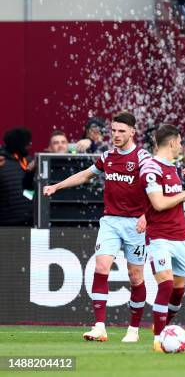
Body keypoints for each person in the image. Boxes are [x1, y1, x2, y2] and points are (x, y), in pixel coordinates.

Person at [43, 113, 150, 343]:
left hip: (135, 224)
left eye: (122, 131)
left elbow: (154, 187)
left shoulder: (142, 157)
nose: (116, 135)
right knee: (101, 266)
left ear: (133, 132)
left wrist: (146, 214)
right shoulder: (107, 156)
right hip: (111, 221)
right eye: (114, 130)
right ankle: (99, 326)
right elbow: (85, 175)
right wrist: (57, 186)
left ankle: (133, 329)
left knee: (135, 276)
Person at [140, 125, 185, 353]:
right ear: (173, 142)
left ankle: (165, 329)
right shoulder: (150, 168)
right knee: (165, 283)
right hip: (159, 237)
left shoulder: (174, 168)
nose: (181, 146)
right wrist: (184, 195)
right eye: (180, 141)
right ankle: (158, 339)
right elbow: (158, 203)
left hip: (180, 236)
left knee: (178, 290)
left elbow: (170, 201)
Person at [0, 127, 33, 226]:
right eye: (27, 143)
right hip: (6, 224)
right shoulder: (1, 161)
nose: (30, 146)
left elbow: (30, 189)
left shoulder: (29, 161)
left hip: (29, 221)